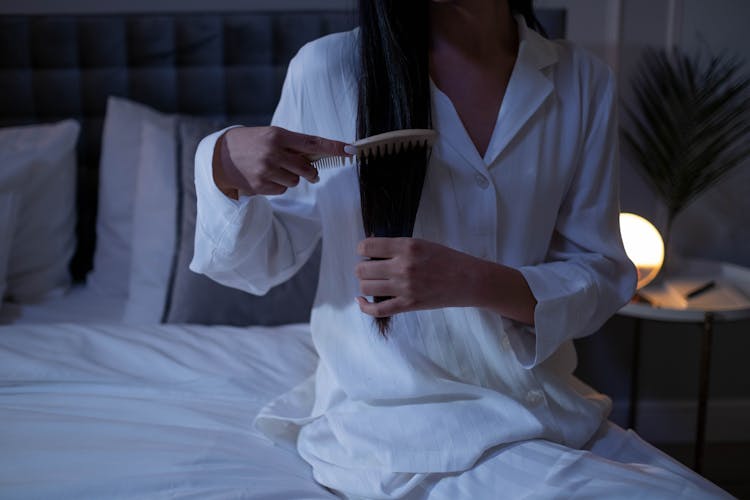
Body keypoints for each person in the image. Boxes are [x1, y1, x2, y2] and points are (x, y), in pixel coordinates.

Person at [191, 0, 731, 498]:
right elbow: (261, 264)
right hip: (396, 428)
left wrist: (473, 281)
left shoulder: (581, 80)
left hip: (543, 407)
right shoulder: (329, 71)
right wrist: (220, 165)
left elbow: (603, 271)